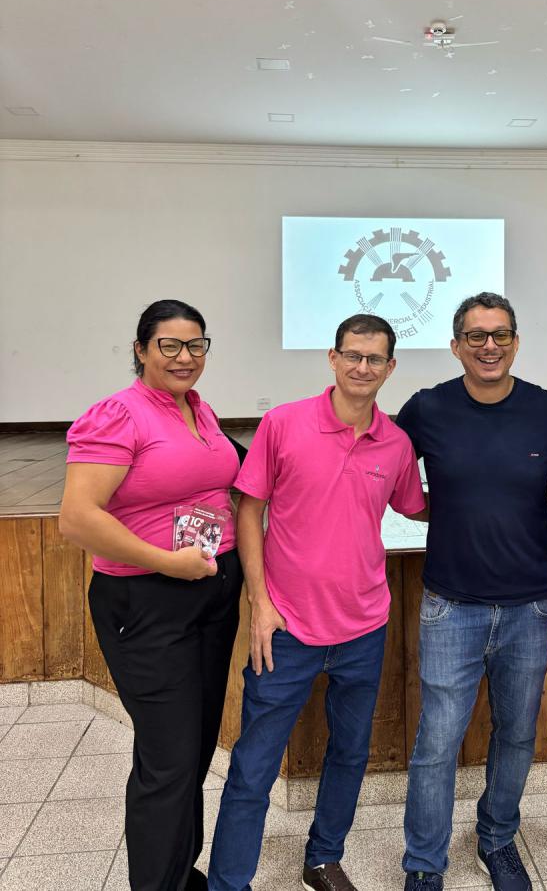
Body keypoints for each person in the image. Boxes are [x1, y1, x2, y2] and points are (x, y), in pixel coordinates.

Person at [208, 314, 425, 891]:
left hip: (364, 626)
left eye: (374, 359)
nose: (362, 367)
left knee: (350, 754)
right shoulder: (284, 423)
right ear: (333, 358)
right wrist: (260, 603)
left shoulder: (396, 443)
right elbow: (249, 510)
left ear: (390, 368)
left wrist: (489, 490)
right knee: (253, 767)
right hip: (286, 628)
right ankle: (229, 882)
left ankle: (323, 858)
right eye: (352, 355)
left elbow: (416, 506)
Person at [59, 299, 243, 891]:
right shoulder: (119, 415)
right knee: (169, 758)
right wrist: (168, 562)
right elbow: (77, 518)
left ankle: (179, 874)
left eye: (196, 345)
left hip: (209, 594)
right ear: (140, 350)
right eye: (169, 345)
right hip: (147, 600)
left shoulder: (198, 409)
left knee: (195, 749)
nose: (185, 357)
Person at [397, 293, 547, 891]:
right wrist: (437, 511)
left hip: (531, 605)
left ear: (516, 343)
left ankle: (496, 839)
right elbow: (381, 469)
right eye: (476, 335)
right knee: (437, 742)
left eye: (500, 335)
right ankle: (424, 863)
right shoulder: (427, 408)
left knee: (517, 734)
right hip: (451, 606)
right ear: (455, 346)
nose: (488, 345)